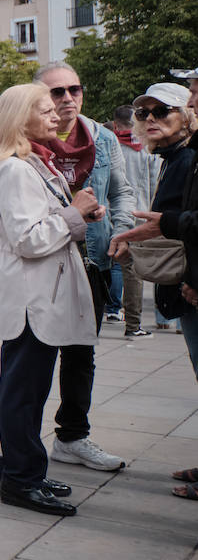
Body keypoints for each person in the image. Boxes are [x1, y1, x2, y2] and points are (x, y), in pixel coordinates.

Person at [0, 84, 102, 516]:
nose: (56, 117)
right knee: (23, 393)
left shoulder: (32, 163)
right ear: (20, 119)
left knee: (27, 391)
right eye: (46, 111)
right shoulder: (14, 169)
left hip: (36, 297)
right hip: (30, 300)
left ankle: (21, 467)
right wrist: (75, 213)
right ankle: (20, 478)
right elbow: (29, 240)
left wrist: (76, 213)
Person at [34, 63, 134, 472]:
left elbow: (121, 191)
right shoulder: (27, 135)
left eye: (74, 89)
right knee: (34, 355)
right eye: (56, 92)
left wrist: (122, 232)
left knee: (80, 353)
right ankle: (22, 445)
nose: (67, 98)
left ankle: (72, 437)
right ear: (39, 97)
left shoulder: (103, 137)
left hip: (91, 259)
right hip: (42, 260)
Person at [115, 77, 198, 498]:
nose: (149, 119)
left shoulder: (188, 159)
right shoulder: (172, 158)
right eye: (143, 113)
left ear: (187, 115)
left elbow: (176, 222)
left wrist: (125, 237)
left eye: (161, 111)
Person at [111, 103, 163, 336]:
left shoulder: (108, 147)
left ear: (115, 124)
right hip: (139, 216)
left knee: (103, 266)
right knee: (132, 272)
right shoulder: (148, 150)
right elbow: (155, 184)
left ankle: (101, 315)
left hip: (110, 214)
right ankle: (133, 325)